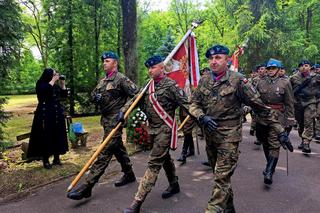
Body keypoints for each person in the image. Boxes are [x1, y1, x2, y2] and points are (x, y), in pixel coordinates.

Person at [189, 45, 291, 212]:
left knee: (221, 180)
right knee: (221, 178)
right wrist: (201, 116)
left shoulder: (239, 80)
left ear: (227, 60)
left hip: (229, 138)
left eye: (218, 58)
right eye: (211, 58)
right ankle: (230, 209)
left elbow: (259, 107)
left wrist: (280, 130)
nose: (213, 61)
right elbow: (194, 103)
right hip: (210, 137)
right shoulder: (205, 80)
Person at [67, 51, 139, 200]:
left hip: (115, 120)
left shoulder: (121, 79)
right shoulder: (103, 81)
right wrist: (96, 97)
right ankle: (129, 174)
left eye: (107, 60)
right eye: (103, 61)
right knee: (117, 148)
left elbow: (137, 94)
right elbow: (93, 95)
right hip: (105, 120)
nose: (104, 63)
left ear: (115, 63)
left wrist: (124, 111)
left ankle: (87, 186)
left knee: (104, 151)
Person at [122, 55, 189, 213]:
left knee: (153, 163)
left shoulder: (171, 85)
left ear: (162, 67)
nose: (150, 70)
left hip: (165, 129)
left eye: (153, 67)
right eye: (148, 68)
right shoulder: (148, 85)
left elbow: (186, 104)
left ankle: (137, 202)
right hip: (152, 129)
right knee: (164, 158)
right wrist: (122, 112)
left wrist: (199, 118)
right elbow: (135, 100)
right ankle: (174, 184)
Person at [255, 58, 294, 184]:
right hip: (262, 117)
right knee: (264, 142)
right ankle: (269, 164)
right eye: (269, 68)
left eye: (273, 68)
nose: (271, 71)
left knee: (274, 143)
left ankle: (269, 171)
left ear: (278, 70)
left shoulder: (285, 83)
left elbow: (289, 103)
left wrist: (289, 122)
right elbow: (255, 99)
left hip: (278, 118)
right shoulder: (260, 82)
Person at [27, 68, 68, 169]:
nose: (55, 76)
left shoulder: (55, 85)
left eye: (56, 75)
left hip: (57, 113)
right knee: (46, 136)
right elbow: (44, 91)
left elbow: (64, 96)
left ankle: (56, 158)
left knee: (57, 134)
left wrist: (63, 84)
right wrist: (53, 80)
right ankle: (45, 160)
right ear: (48, 75)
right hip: (46, 114)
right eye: (53, 74)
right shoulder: (40, 83)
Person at [290, 60, 320, 153]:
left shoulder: (316, 77)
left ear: (310, 67)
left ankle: (306, 142)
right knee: (301, 123)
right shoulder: (293, 78)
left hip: (310, 102)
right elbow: (288, 91)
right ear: (299, 68)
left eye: (306, 65)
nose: (304, 67)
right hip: (298, 103)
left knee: (308, 122)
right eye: (301, 66)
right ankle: (303, 140)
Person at [313, 64, 320, 140]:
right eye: (315, 69)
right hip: (312, 99)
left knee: (318, 116)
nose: (316, 70)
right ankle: (314, 132)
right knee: (312, 116)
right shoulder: (312, 77)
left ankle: (318, 133)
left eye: (317, 69)